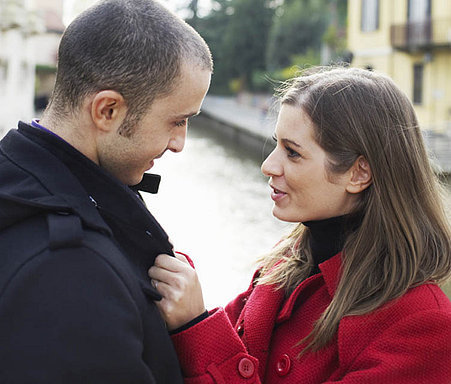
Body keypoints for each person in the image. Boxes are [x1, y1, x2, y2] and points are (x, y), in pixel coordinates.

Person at [149, 67, 451, 384]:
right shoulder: (284, 264)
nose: (268, 165)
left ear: (358, 174)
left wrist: (194, 325)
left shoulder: (422, 324)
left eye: (292, 153)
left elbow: (212, 351)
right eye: (277, 144)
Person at [0, 0, 212, 384]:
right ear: (107, 110)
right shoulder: (69, 276)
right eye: (177, 121)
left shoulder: (19, 181)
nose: (180, 142)